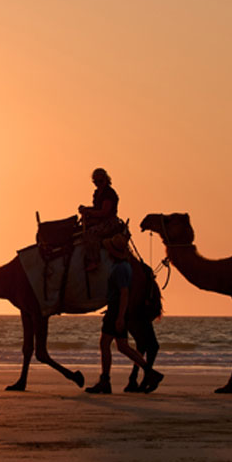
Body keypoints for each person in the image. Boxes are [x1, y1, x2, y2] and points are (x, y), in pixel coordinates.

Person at [85, 234, 163, 394]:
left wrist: (120, 316)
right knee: (123, 347)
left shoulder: (120, 269)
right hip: (119, 310)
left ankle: (105, 381)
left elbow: (124, 292)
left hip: (116, 310)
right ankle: (150, 372)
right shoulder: (125, 266)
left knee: (105, 344)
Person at [79, 168, 122, 271]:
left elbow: (104, 212)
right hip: (100, 220)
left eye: (100, 181)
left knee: (91, 233)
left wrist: (88, 212)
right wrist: (86, 209)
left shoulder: (109, 193)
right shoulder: (97, 193)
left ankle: (94, 260)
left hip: (109, 222)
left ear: (106, 179)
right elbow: (97, 208)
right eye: (96, 182)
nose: (98, 184)